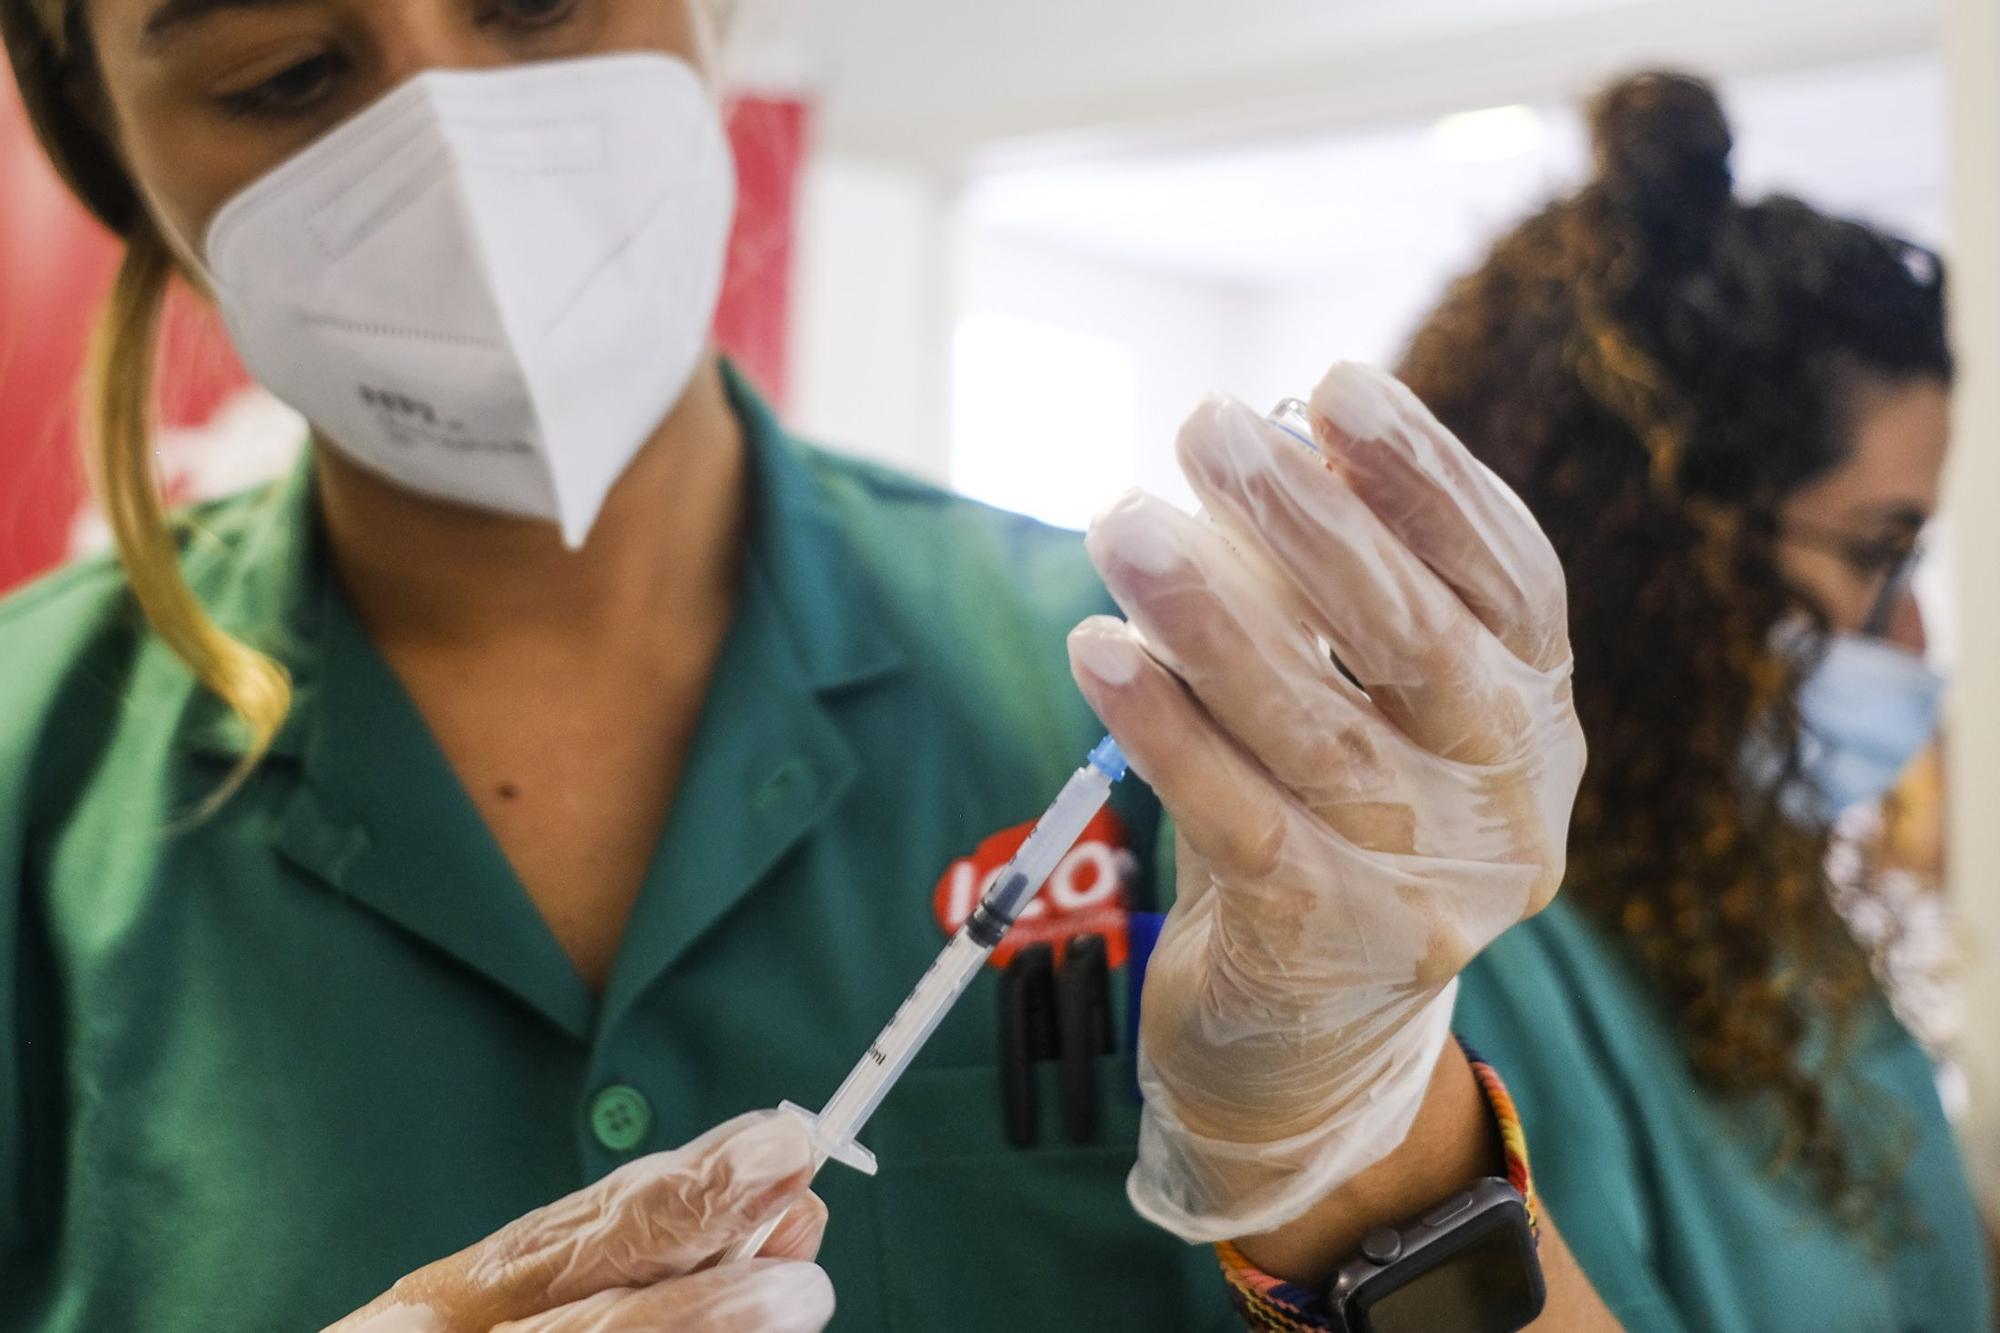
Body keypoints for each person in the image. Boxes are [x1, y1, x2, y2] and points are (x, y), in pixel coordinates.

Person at [0, 3, 1617, 1330]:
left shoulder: (1201, 706)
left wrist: (1350, 1143)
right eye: (285, 73)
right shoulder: (29, 773)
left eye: (539, 3)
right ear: (109, 151)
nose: (460, 149)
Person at [1404, 72, 1993, 1331]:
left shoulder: (1740, 904)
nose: (1911, 634)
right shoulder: (1468, 967)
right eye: (1873, 552)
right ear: (1660, 551)